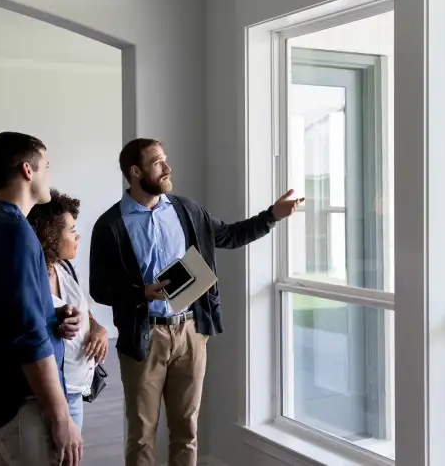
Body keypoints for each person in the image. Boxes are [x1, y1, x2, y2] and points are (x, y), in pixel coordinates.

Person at [89, 138, 303, 466]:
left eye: (166, 160)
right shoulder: (111, 224)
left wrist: (272, 215)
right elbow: (99, 288)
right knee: (142, 435)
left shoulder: (187, 210)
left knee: (187, 430)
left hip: (190, 333)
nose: (168, 168)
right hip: (144, 337)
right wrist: (141, 293)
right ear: (135, 172)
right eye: (158, 162)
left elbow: (229, 235)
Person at [0, 132, 84, 466]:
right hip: (25, 406)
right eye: (47, 165)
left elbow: (6, 315)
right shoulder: (17, 233)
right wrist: (61, 417)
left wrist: (52, 316)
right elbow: (28, 336)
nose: (50, 173)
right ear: (28, 171)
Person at [28, 189, 109, 429]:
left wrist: (97, 328)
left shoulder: (67, 269)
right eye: (71, 231)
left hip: (76, 392)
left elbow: (85, 310)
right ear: (51, 235)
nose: (78, 237)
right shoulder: (32, 278)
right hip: (50, 396)